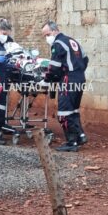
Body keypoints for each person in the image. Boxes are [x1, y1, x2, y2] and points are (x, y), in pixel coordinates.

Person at [41, 20, 88, 152]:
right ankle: (80, 136)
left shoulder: (58, 43)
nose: (47, 38)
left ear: (55, 31)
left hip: (68, 79)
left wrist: (46, 79)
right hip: (80, 78)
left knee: (64, 112)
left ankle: (71, 142)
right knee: (73, 110)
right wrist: (78, 71)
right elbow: (85, 59)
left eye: (47, 34)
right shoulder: (72, 41)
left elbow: (54, 67)